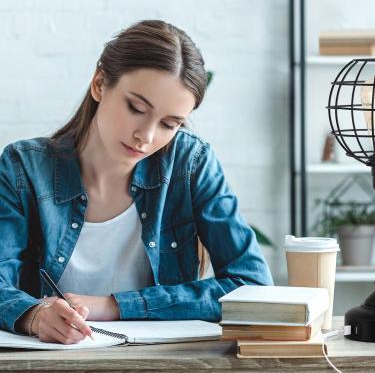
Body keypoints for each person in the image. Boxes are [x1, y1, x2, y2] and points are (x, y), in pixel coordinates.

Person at [0, 20, 273, 344]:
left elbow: (252, 286)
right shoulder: (24, 168)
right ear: (100, 83)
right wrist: (35, 316)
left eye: (170, 124)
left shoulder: (191, 164)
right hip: (48, 368)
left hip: (161, 367)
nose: (146, 136)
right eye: (136, 108)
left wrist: (115, 306)